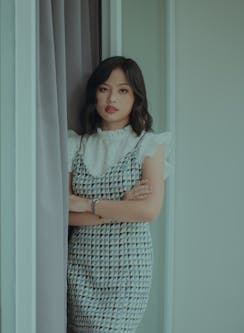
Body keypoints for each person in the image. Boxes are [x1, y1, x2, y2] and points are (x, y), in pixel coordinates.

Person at [66, 56, 171, 332]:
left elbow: (148, 211)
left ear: (136, 97)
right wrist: (122, 207)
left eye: (123, 90)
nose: (112, 97)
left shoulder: (149, 144)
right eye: (104, 88)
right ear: (94, 94)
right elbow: (66, 214)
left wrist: (88, 203)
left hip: (128, 271)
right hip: (81, 269)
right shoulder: (74, 145)